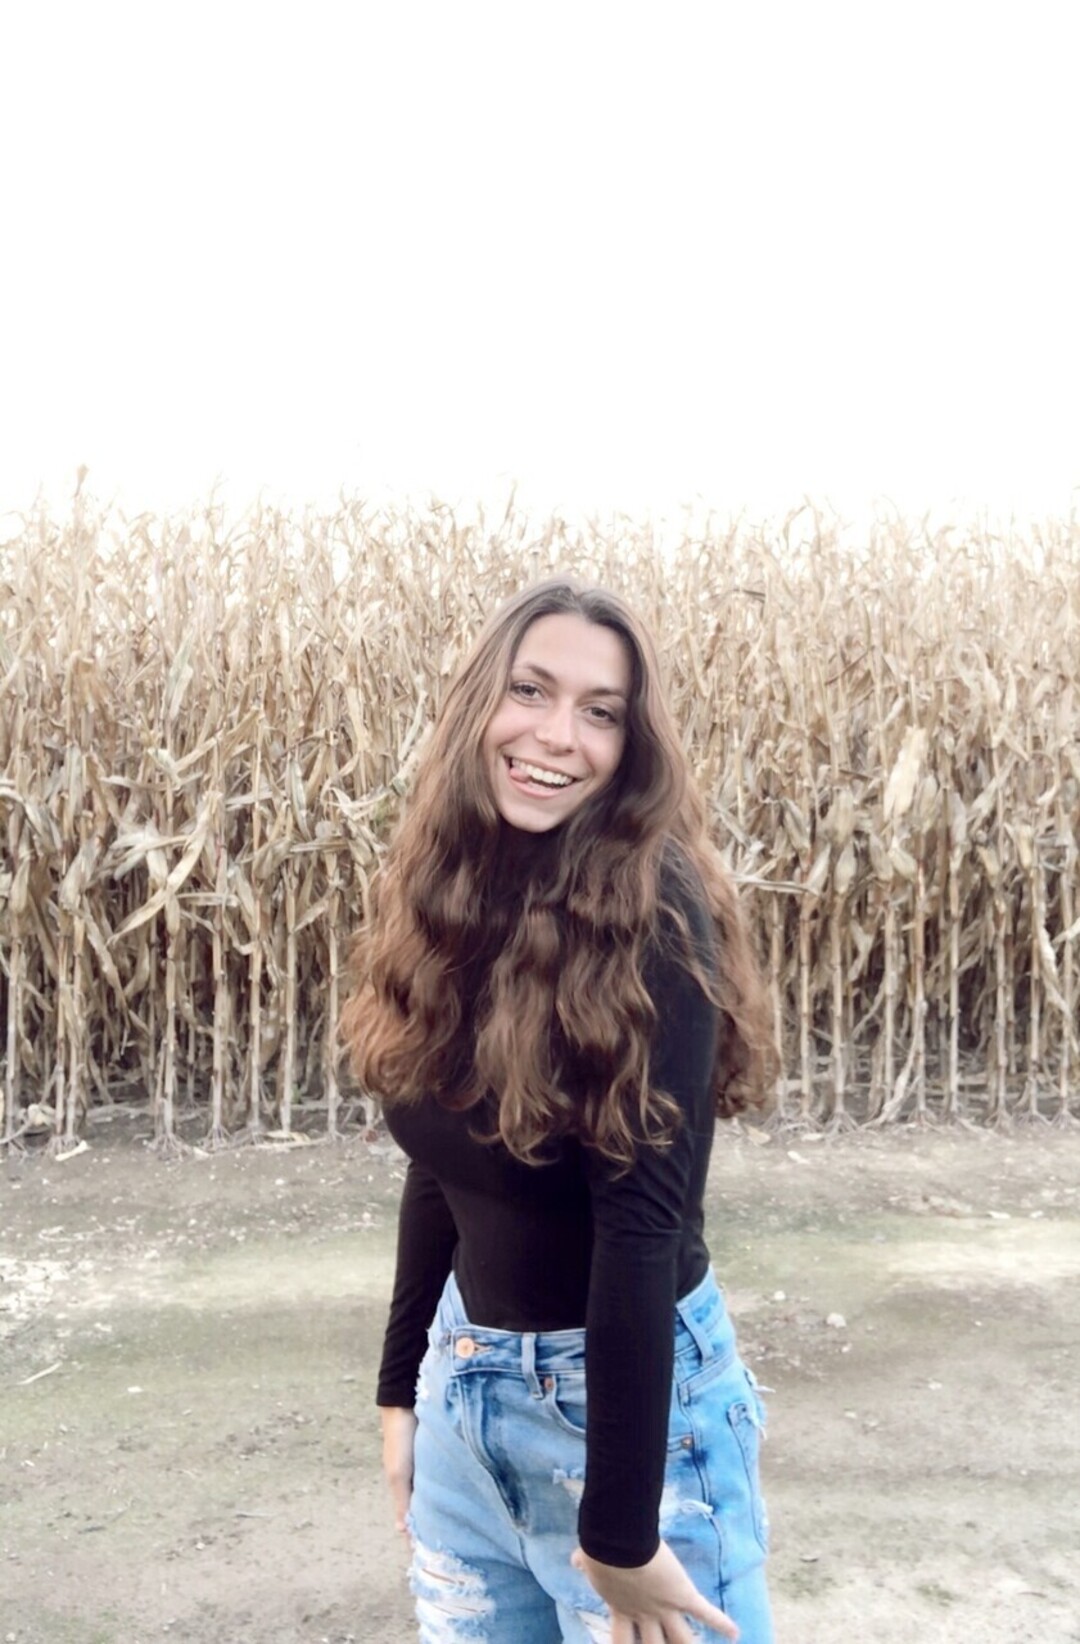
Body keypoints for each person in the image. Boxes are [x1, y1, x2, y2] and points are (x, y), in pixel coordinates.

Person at [342, 578, 775, 1644]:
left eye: (600, 711)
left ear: (631, 745)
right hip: (465, 1393)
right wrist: (402, 1388)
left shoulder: (655, 911)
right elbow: (445, 1160)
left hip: (632, 1428)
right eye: (530, 691)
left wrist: (619, 1536)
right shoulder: (449, 885)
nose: (556, 736)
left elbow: (642, 1227)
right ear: (479, 703)